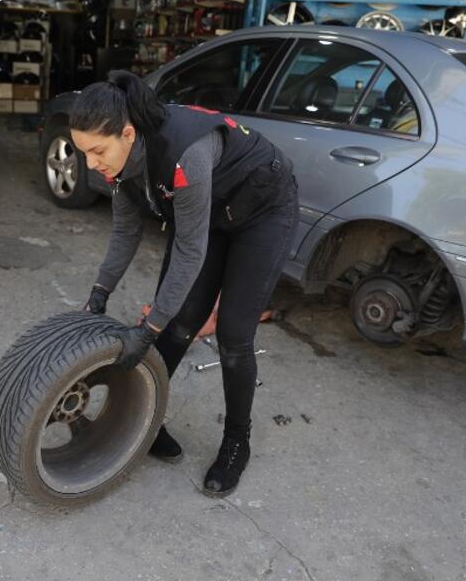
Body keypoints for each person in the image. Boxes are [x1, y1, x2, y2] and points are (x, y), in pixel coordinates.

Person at [73, 70, 299, 496]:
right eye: (83, 151)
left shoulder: (184, 155)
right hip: (210, 211)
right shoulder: (118, 162)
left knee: (233, 335)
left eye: (97, 151)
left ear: (127, 133)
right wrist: (99, 293)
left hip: (263, 209)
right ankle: (147, 419)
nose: (91, 163)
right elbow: (125, 232)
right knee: (178, 322)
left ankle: (237, 441)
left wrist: (147, 328)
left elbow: (189, 253)